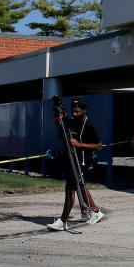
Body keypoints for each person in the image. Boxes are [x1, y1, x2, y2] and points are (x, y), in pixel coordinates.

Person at [47, 98, 105, 230]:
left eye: (77, 111)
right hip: (71, 159)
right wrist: (60, 116)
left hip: (83, 161)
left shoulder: (91, 126)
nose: (74, 114)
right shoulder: (72, 122)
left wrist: (80, 145)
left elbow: (99, 146)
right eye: (73, 111)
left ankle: (62, 221)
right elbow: (63, 131)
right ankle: (96, 212)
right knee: (81, 187)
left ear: (84, 110)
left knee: (70, 189)